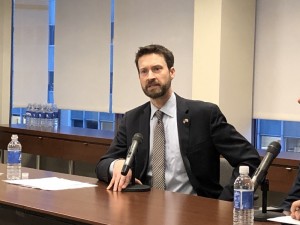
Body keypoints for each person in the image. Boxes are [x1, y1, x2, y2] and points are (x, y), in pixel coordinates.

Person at [95, 44, 261, 201]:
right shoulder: (131, 119)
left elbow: (249, 159)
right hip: (142, 209)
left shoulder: (204, 115)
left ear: (172, 72)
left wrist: (226, 201)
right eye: (143, 71)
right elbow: (103, 164)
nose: (150, 76)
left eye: (157, 69)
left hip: (195, 210)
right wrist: (115, 164)